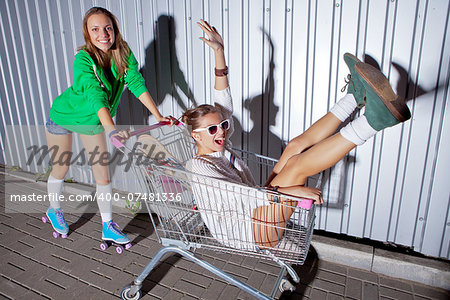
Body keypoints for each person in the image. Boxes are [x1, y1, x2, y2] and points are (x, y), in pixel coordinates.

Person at [183, 20, 411, 249]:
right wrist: (294, 191)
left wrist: (219, 52)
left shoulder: (217, 144)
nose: (222, 130)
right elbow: (241, 196)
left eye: (222, 124)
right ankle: (373, 122)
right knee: (296, 166)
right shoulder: (199, 166)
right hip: (248, 230)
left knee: (294, 146)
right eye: (213, 129)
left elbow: (224, 102)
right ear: (196, 136)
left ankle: (353, 97)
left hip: (256, 208)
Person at [44, 7, 171, 246]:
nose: (103, 34)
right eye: (95, 29)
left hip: (92, 122)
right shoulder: (83, 60)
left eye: (107, 28)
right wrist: (111, 129)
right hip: (64, 116)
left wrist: (158, 115)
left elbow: (135, 82)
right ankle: (54, 210)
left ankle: (108, 226)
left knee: (102, 175)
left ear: (114, 29)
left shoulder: (122, 52)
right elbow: (95, 96)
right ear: (87, 34)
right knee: (61, 167)